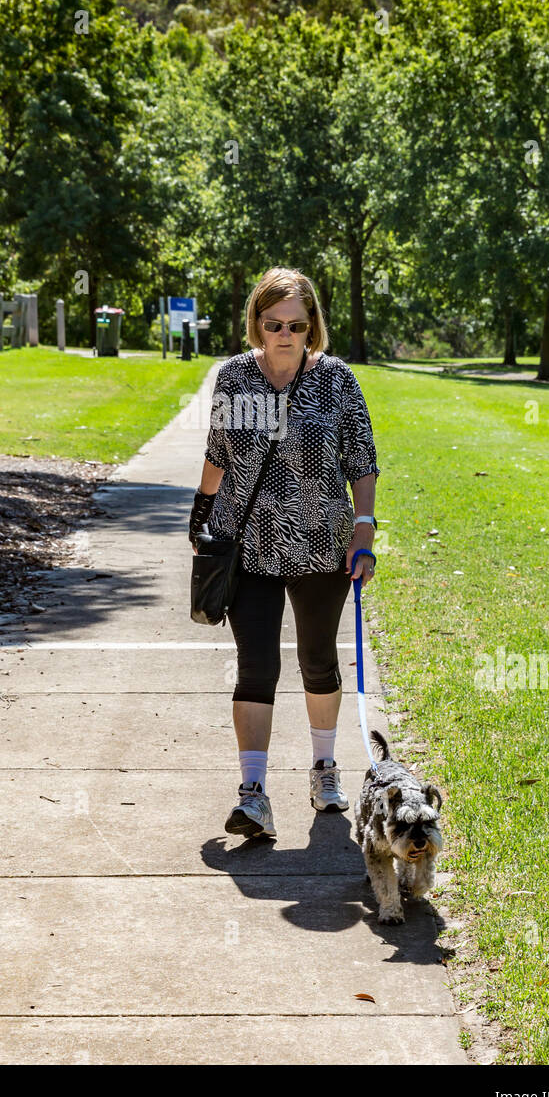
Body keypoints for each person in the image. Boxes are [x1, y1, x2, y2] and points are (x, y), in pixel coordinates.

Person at [188, 266, 379, 840]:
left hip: (322, 542)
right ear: (257, 323)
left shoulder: (337, 381)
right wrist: (200, 518)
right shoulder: (234, 380)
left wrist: (363, 530)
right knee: (256, 665)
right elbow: (218, 453)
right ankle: (253, 794)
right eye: (274, 323)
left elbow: (362, 461)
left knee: (318, 659)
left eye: (297, 324)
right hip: (248, 544)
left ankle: (324, 768)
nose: (285, 334)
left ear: (312, 326)